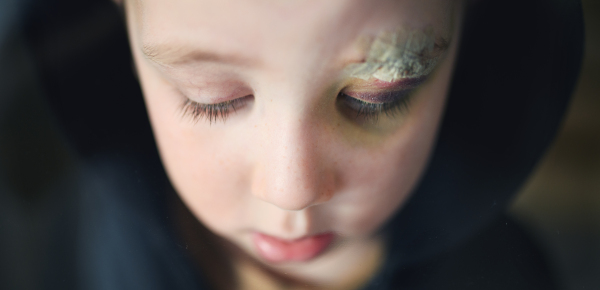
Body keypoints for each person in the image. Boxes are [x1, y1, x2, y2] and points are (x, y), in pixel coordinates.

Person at [3, 0, 582, 289]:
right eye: (213, 99)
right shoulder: (45, 254)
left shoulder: (508, 275)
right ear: (123, 35)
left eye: (376, 97)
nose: (292, 192)